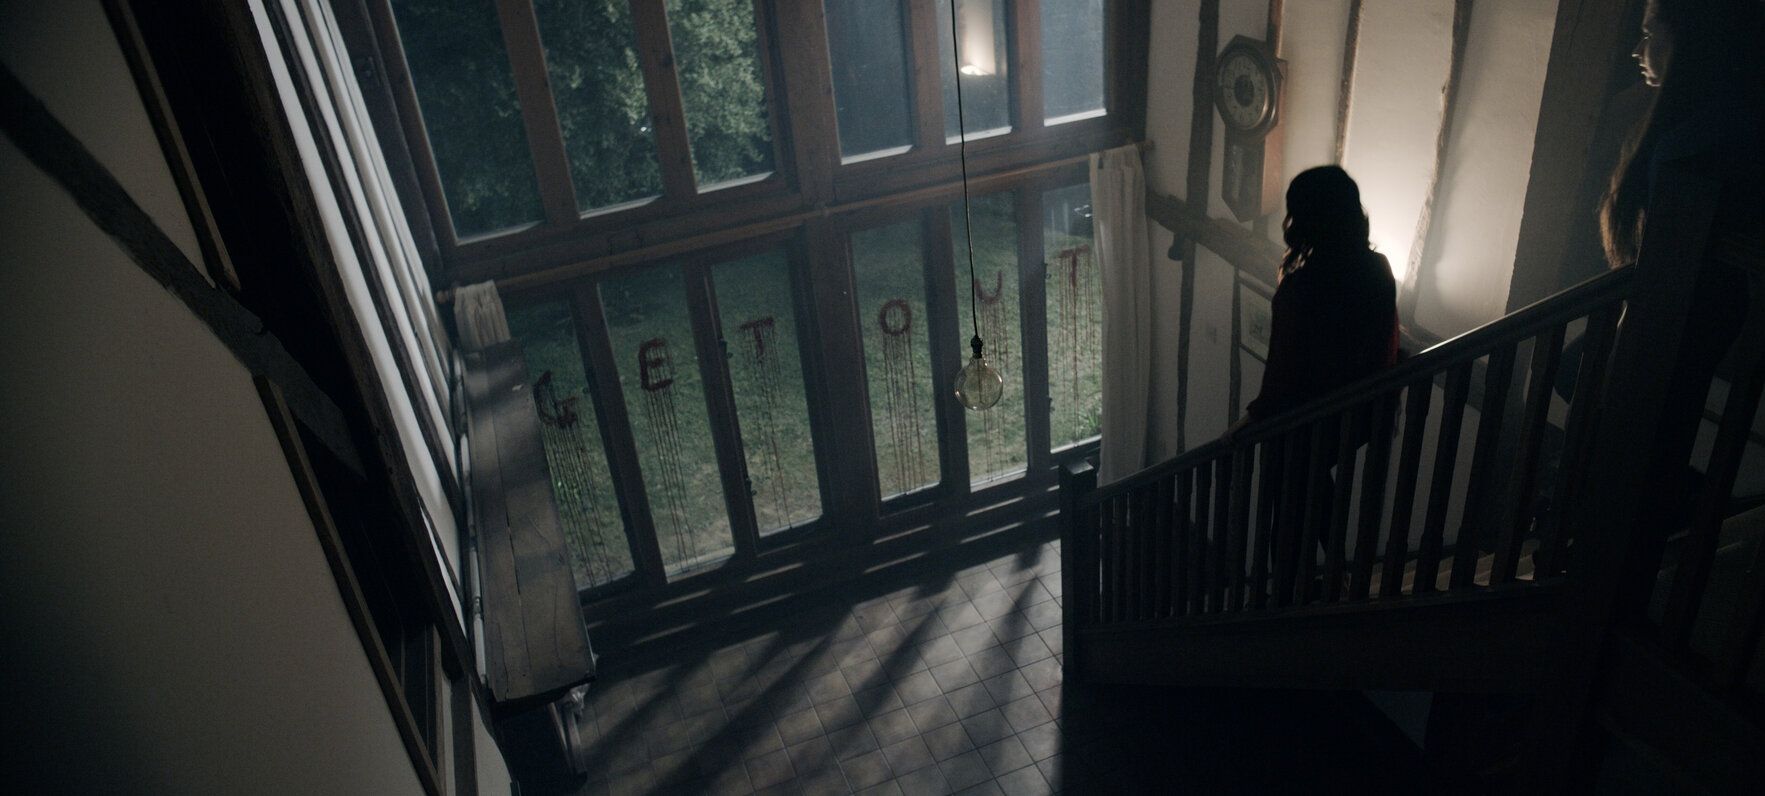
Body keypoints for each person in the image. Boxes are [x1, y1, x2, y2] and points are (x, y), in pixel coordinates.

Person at [1226, 165, 1399, 440]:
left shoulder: (1301, 288)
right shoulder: (1379, 267)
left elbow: (1282, 367)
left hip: (1304, 425)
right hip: (1357, 418)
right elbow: (1384, 342)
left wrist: (1255, 415)